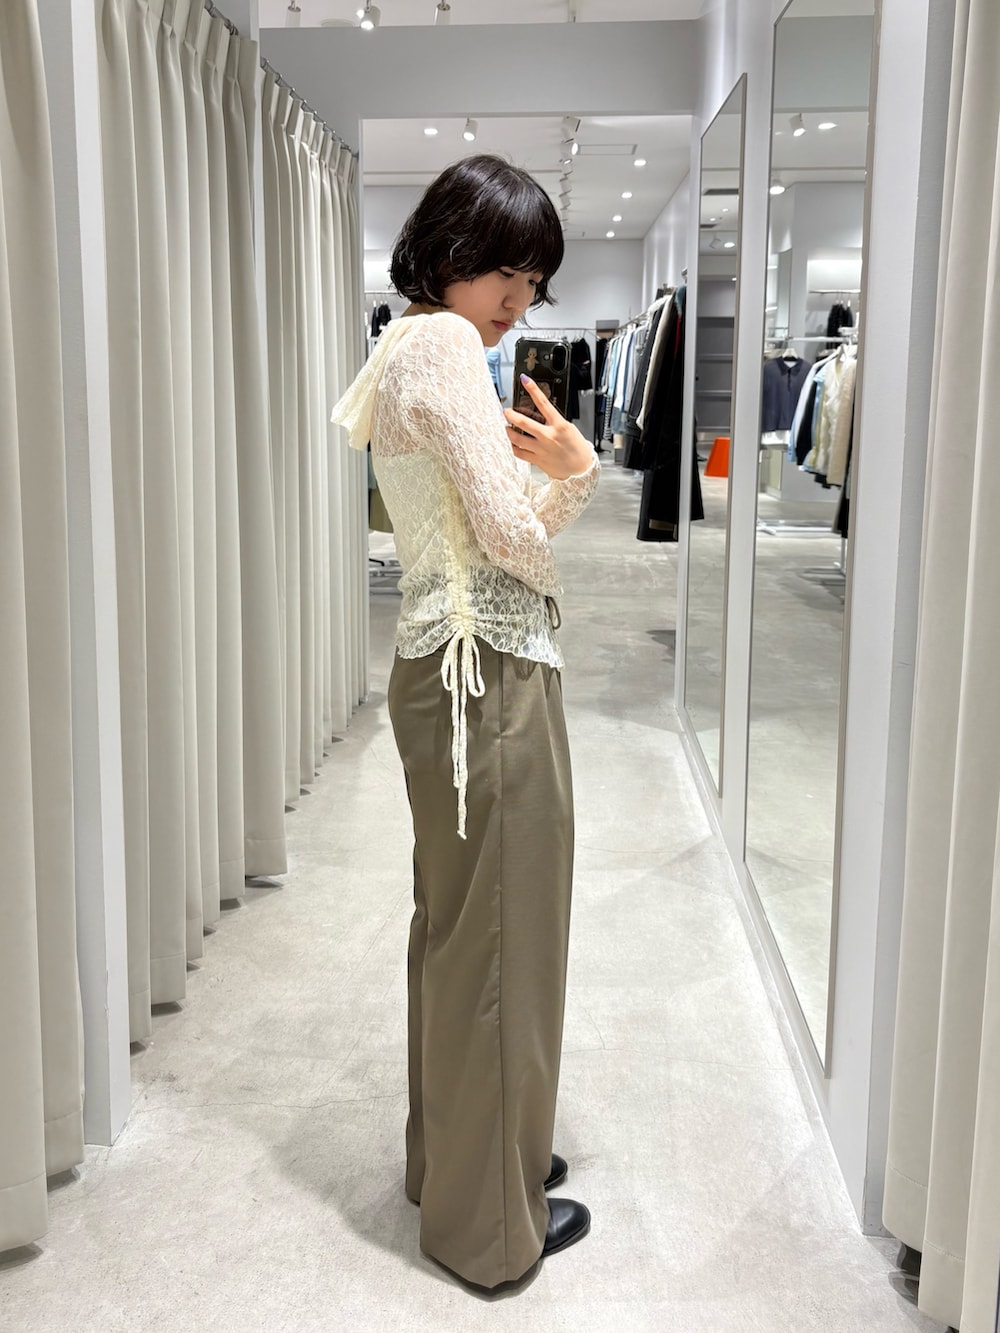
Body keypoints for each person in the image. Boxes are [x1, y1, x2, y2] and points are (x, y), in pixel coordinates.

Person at [331, 154, 599, 1292]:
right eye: (508, 274)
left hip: (444, 668)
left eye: (534, 283)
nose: (519, 303)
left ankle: (458, 1164)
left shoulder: (404, 342)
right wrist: (579, 475)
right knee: (502, 938)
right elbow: (512, 537)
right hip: (483, 672)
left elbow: (477, 519)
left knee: (459, 928)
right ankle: (488, 1226)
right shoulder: (444, 342)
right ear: (452, 251)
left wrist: (540, 490)